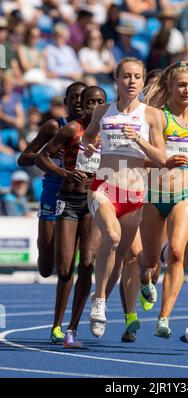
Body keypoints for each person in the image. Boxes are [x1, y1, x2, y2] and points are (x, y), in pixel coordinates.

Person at [83, 57, 166, 339]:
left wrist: (138, 140)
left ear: (143, 82)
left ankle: (107, 295)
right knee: (112, 237)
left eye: (137, 77)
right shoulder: (103, 112)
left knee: (120, 259)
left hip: (134, 194)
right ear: (116, 79)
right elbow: (87, 138)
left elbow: (162, 158)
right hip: (103, 186)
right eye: (126, 76)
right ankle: (99, 301)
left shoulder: (153, 115)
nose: (131, 81)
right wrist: (89, 145)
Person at [140, 61, 188, 337]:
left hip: (185, 195)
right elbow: (148, 158)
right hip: (156, 194)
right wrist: (163, 162)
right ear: (170, 86)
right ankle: (147, 279)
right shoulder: (157, 117)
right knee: (150, 261)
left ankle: (164, 317)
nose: (187, 90)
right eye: (181, 84)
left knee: (177, 254)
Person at [37, 85, 106, 348]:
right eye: (90, 101)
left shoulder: (109, 134)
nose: (94, 106)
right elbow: (42, 158)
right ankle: (56, 323)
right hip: (68, 201)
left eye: (100, 101)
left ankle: (72, 329)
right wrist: (65, 174)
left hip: (94, 202)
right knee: (65, 269)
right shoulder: (70, 130)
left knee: (87, 263)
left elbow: (123, 161)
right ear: (83, 103)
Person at [18, 82, 87, 344]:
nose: (79, 102)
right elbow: (24, 158)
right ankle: (43, 246)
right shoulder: (54, 127)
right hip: (52, 195)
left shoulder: (92, 130)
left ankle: (59, 326)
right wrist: (51, 159)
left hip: (78, 198)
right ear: (67, 101)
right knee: (46, 268)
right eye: (74, 98)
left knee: (67, 266)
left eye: (83, 97)